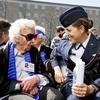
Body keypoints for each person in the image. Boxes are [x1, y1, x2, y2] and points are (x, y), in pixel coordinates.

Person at [0, 19, 65, 100]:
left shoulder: (34, 52)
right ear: (17, 37)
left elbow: (46, 74)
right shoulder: (2, 54)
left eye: (34, 36)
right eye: (29, 37)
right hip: (11, 92)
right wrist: (22, 86)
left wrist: (37, 78)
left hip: (36, 88)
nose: (33, 40)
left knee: (56, 97)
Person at [50, 6, 100, 100]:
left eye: (69, 30)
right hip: (71, 84)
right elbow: (53, 55)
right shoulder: (65, 43)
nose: (66, 33)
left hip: (95, 86)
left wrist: (92, 88)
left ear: (81, 29)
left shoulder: (98, 45)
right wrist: (57, 69)